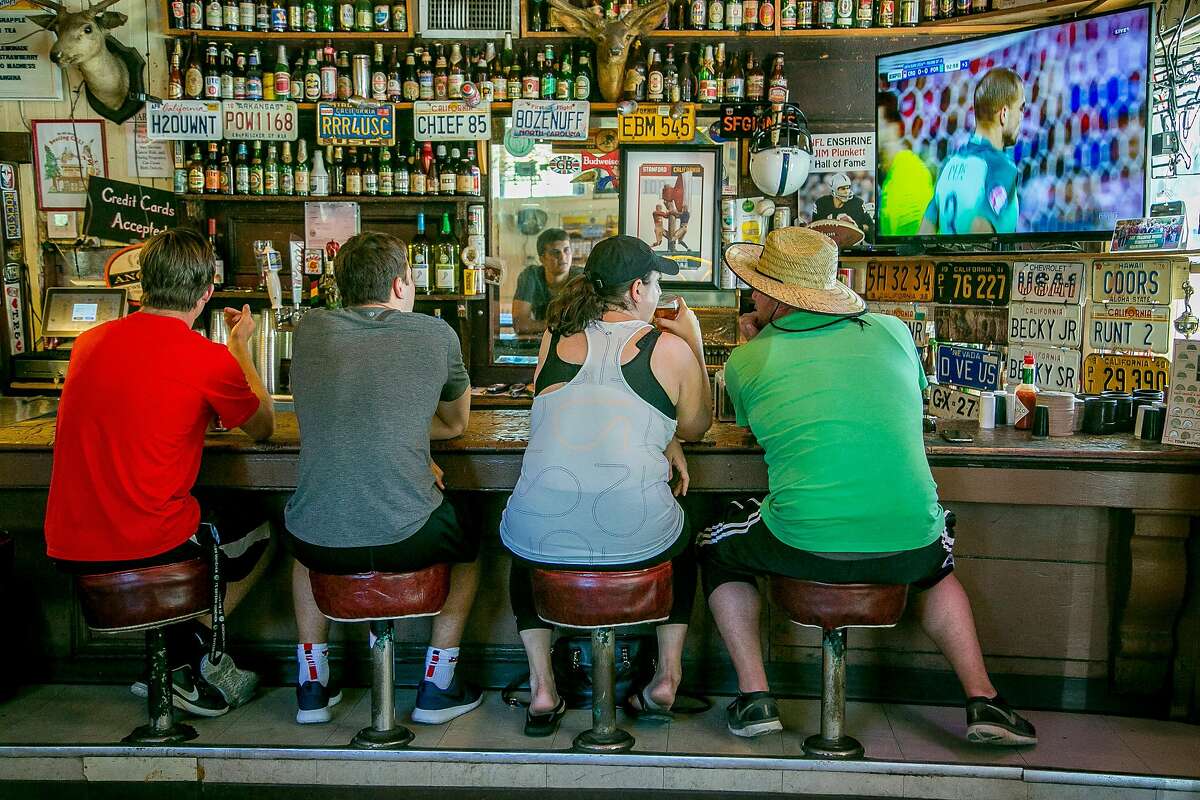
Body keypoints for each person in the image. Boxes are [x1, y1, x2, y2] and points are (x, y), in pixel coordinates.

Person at [702, 226, 1038, 746]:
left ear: (775, 295)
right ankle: (984, 701)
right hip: (909, 546)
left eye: (756, 285)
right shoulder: (894, 331)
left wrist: (756, 344)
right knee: (937, 564)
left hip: (803, 546)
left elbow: (751, 427)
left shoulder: (748, 360)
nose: (751, 294)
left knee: (716, 546)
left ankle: (755, 696)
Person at [45, 227, 276, 718]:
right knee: (260, 528)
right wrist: (240, 349)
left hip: (71, 546)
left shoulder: (87, 343)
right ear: (207, 292)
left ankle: (174, 656)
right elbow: (263, 427)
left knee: (203, 523)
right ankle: (192, 651)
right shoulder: (207, 358)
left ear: (141, 286)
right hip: (147, 542)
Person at [500, 235, 712, 738]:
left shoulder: (555, 334)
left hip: (544, 541)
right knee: (687, 534)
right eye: (657, 282)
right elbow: (698, 425)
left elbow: (565, 408)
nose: (658, 292)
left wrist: (661, 439)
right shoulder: (672, 349)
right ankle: (666, 677)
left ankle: (543, 687)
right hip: (637, 542)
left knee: (524, 541)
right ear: (638, 289)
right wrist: (695, 340)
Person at [285, 232, 482, 727]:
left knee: (302, 541)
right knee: (473, 543)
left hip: (319, 542)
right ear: (400, 284)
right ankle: (438, 683)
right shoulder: (435, 334)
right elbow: (457, 423)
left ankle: (312, 681)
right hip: (410, 535)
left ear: (340, 286)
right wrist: (406, 435)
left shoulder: (308, 331)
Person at [921, 67, 1025, 236]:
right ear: (1004, 114)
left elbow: (923, 233)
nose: (1022, 117)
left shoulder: (949, 163)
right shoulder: (1001, 167)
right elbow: (980, 231)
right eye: (1020, 108)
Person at [877, 91, 935, 237]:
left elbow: (910, 245)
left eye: (880, 126)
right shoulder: (888, 175)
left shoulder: (909, 173)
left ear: (896, 127)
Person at [512, 228, 579, 335]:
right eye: (555, 252)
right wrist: (566, 325)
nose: (563, 256)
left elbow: (588, 325)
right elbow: (520, 325)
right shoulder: (531, 276)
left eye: (566, 250)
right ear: (542, 259)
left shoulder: (581, 278)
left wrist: (540, 325)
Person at [811, 173, 875, 239]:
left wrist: (856, 227)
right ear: (833, 191)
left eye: (848, 188)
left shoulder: (857, 203)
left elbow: (871, 227)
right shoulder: (821, 203)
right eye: (843, 189)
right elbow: (814, 230)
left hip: (851, 245)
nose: (847, 191)